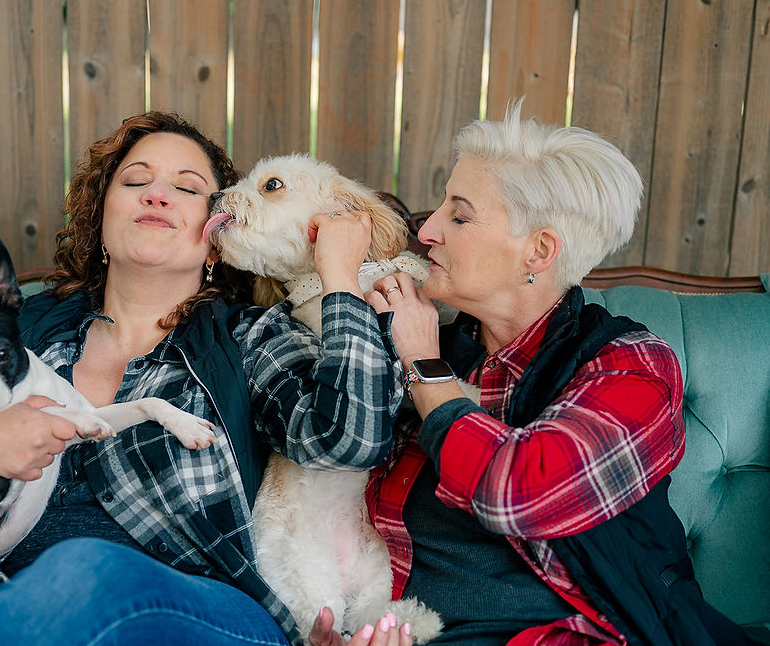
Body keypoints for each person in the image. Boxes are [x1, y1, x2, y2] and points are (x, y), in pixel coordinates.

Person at [0, 111, 412, 645]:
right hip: (8, 612)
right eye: (135, 182)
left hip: (202, 613)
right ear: (100, 220)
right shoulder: (14, 333)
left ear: (217, 233)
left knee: (84, 569)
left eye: (187, 188)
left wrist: (339, 281)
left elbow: (348, 439)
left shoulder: (249, 338)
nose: (157, 194)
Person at [309, 100, 754, 646]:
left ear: (538, 252)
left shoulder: (630, 365)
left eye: (460, 215)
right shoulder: (432, 343)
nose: (426, 231)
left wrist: (425, 368)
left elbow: (522, 492)